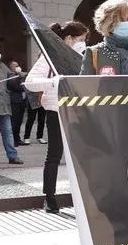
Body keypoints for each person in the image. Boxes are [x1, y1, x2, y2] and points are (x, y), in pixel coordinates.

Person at [81, 0, 128, 245]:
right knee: (113, 185)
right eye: (122, 19)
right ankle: (118, 241)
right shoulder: (95, 53)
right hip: (105, 129)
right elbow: (82, 91)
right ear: (109, 22)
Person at [24, 21, 89, 213]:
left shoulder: (85, 57)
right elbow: (31, 83)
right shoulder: (49, 56)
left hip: (80, 111)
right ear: (69, 38)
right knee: (54, 155)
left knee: (83, 156)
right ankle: (50, 198)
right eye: (81, 39)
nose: (84, 43)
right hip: (56, 110)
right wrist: (54, 81)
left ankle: (83, 197)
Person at [6, 60, 28, 147]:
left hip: (22, 102)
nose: (17, 67)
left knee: (19, 122)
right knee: (14, 122)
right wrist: (21, 77)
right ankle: (12, 140)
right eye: (15, 66)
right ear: (11, 68)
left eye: (18, 65)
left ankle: (17, 138)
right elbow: (17, 87)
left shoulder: (20, 76)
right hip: (14, 102)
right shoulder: (10, 76)